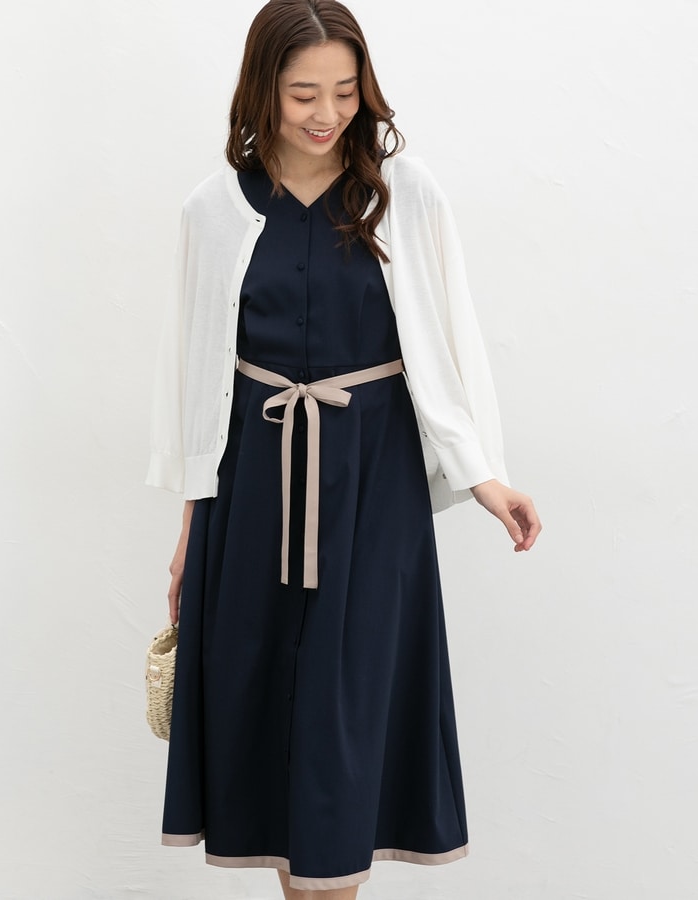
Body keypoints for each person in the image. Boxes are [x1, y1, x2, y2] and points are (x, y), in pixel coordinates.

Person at [146, 1, 541, 897]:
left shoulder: (404, 193)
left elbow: (447, 340)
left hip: (373, 489)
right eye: (302, 95)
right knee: (262, 710)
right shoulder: (214, 210)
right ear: (262, 91)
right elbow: (199, 379)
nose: (327, 113)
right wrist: (189, 531)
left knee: (347, 710)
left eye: (345, 90)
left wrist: (486, 475)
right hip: (252, 491)